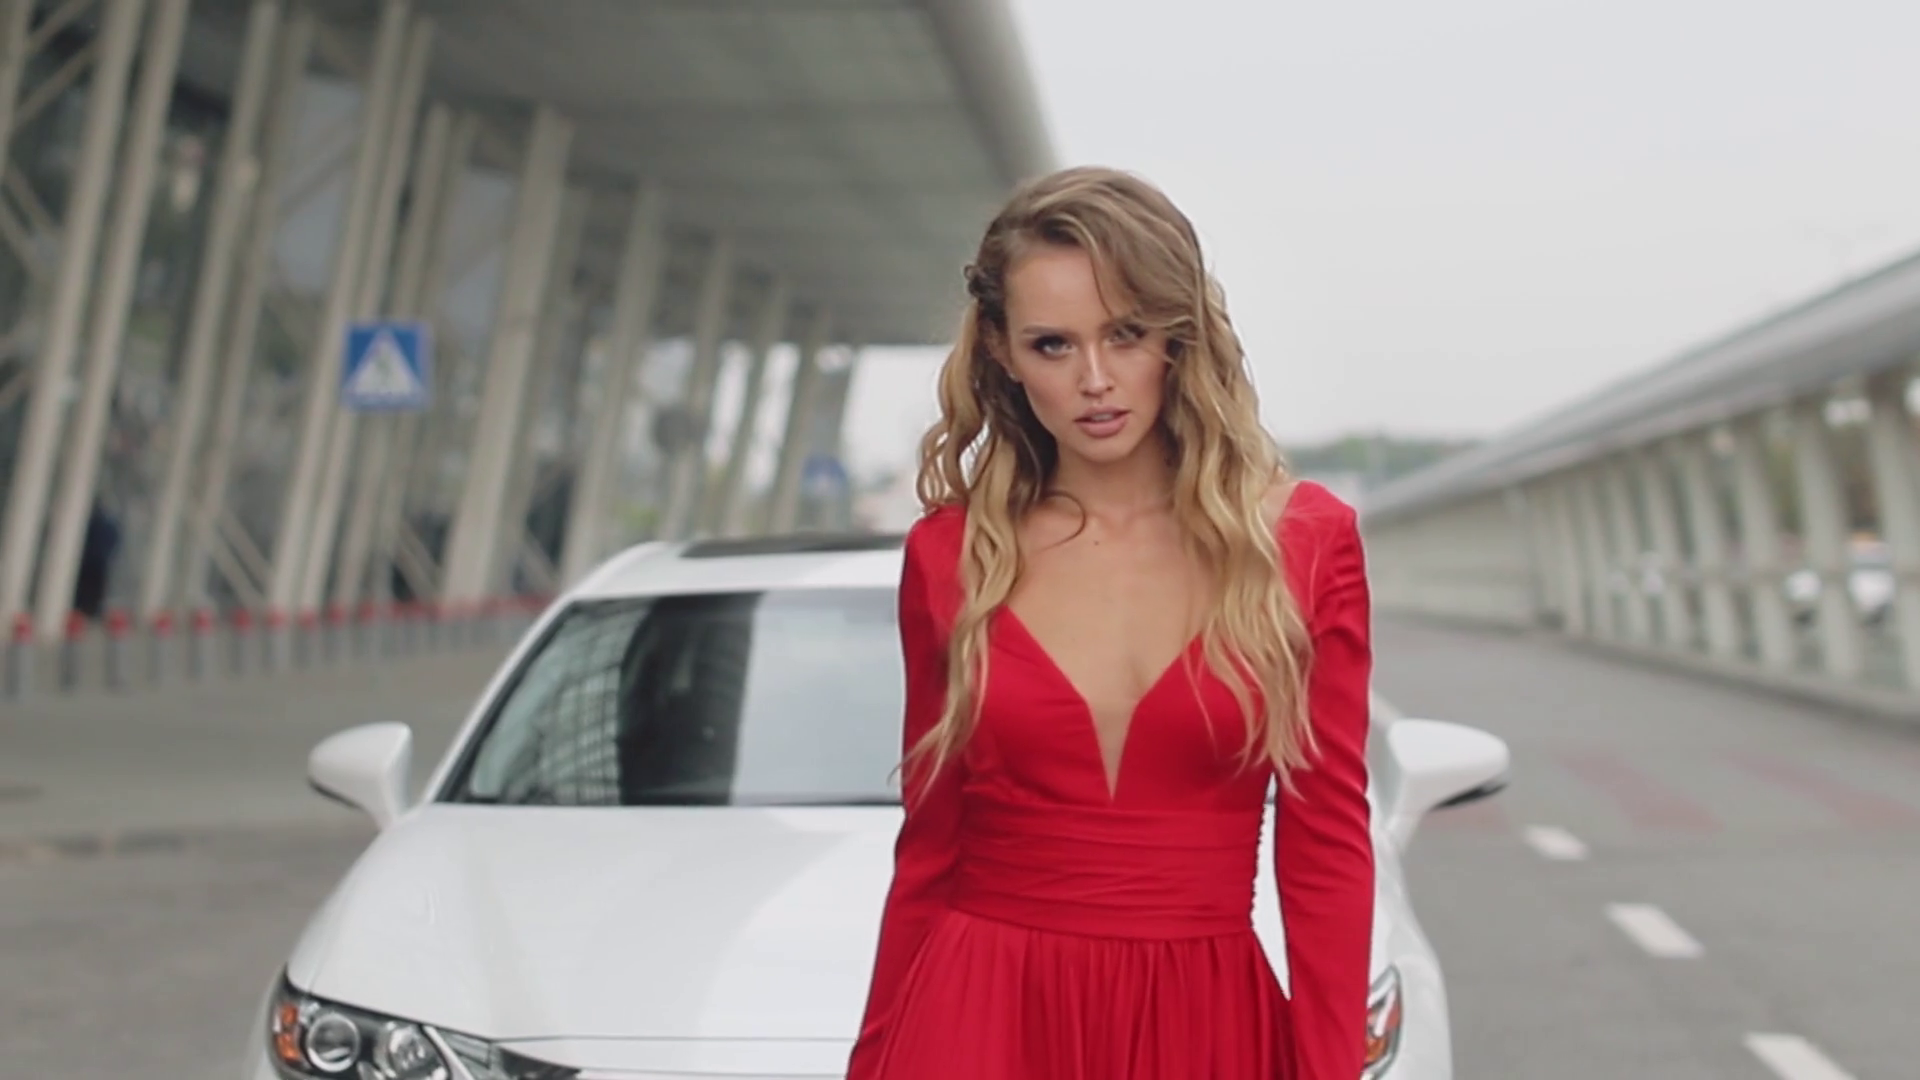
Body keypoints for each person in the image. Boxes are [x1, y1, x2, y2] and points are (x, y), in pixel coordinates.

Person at [846, 166, 1376, 1080]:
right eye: (1053, 345)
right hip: (981, 1021)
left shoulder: (1302, 545)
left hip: (1205, 1027)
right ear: (1003, 355)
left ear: (1177, 338)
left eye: (1125, 335)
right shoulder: (952, 556)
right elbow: (928, 852)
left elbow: (1326, 848)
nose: (1096, 381)